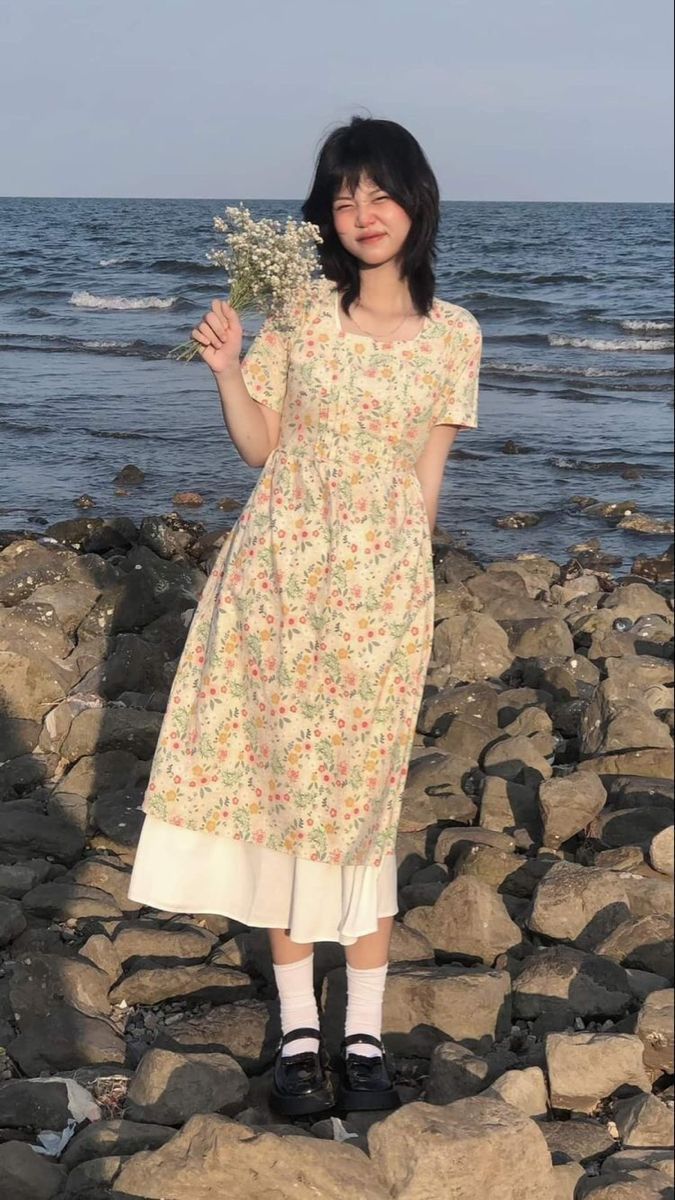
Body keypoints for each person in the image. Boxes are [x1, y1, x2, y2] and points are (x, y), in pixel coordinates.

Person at [127, 115, 482, 1117]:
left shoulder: (456, 335)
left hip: (379, 594)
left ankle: (362, 1035)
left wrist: (409, 600)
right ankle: (296, 1032)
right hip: (278, 578)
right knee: (289, 801)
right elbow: (259, 448)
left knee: (365, 810)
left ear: (416, 198)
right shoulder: (301, 313)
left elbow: (427, 487)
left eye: (378, 192)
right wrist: (229, 370)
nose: (361, 213)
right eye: (342, 196)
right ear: (327, 215)